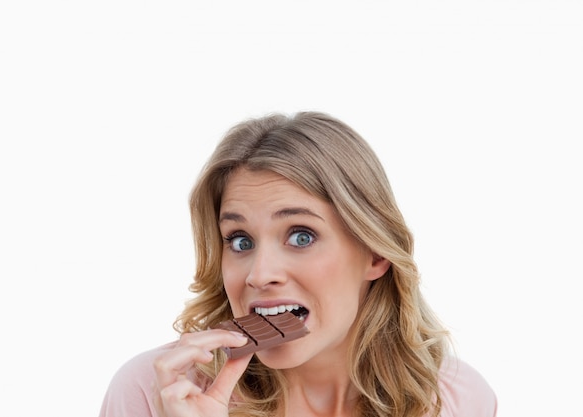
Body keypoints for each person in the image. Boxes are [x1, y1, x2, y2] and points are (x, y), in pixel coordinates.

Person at [98, 111, 497, 417]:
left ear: (375, 254)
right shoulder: (154, 393)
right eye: (240, 241)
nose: (259, 274)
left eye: (301, 236)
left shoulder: (455, 399)